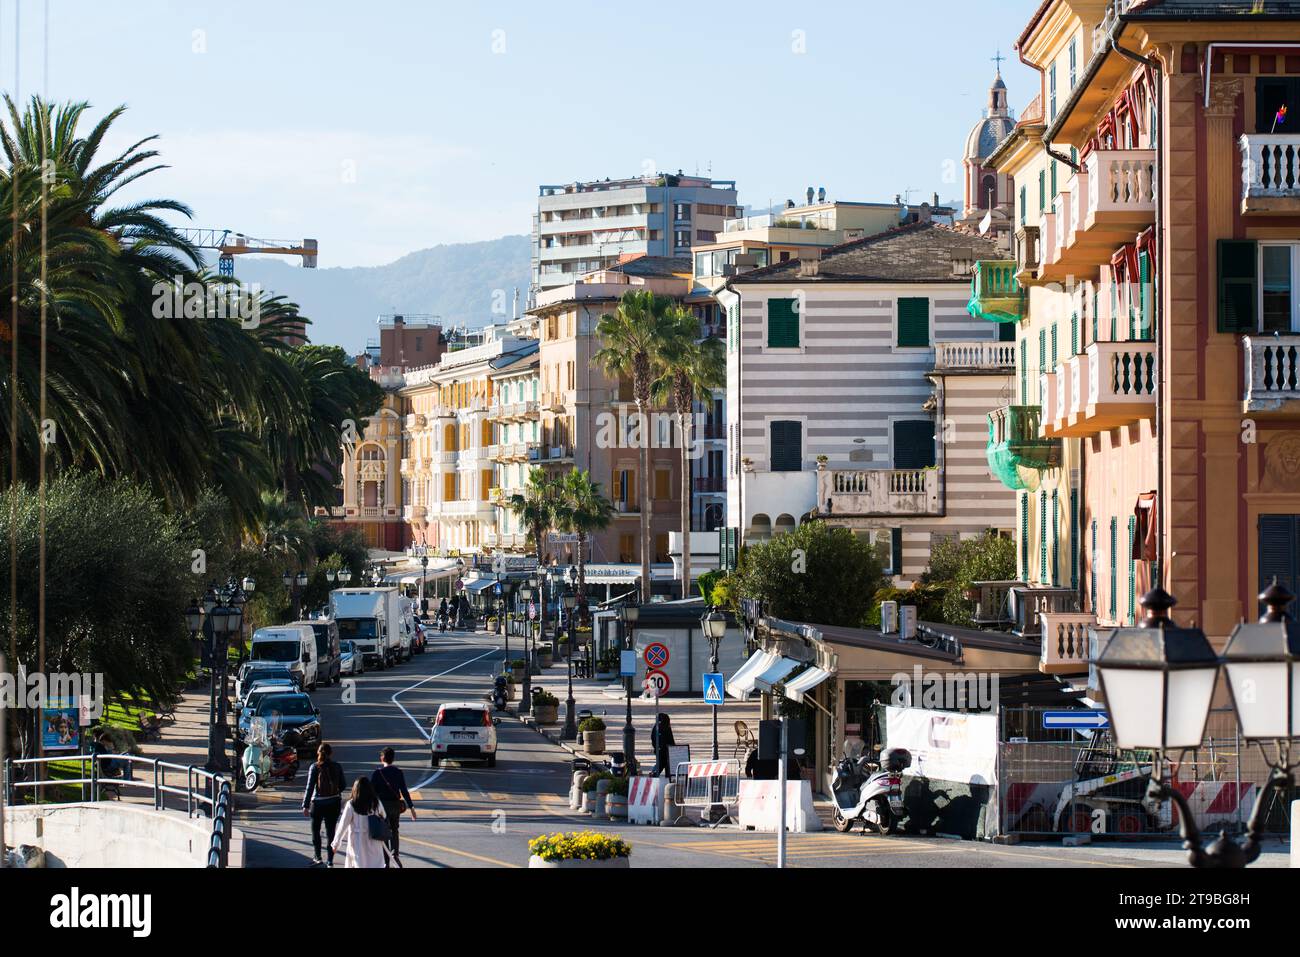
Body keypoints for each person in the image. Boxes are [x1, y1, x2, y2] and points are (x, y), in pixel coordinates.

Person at [301, 743, 346, 867]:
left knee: (315, 831)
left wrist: (305, 805)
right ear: (331, 753)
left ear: (318, 753)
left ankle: (318, 857)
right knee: (331, 832)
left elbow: (309, 787)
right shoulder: (337, 766)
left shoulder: (314, 767)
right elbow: (342, 785)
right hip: (334, 803)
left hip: (318, 804)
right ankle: (330, 861)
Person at [370, 747, 416, 866]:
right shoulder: (398, 772)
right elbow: (404, 791)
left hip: (382, 807)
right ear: (393, 759)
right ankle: (395, 852)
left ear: (382, 758)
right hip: (395, 806)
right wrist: (411, 807)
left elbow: (371, 792)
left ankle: (386, 860)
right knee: (395, 830)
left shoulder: (377, 773)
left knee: (384, 832)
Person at [331, 776, 389, 868]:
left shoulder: (351, 804)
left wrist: (336, 843)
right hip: (374, 839)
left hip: (357, 841)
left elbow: (343, 825)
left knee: (358, 864)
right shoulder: (376, 802)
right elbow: (384, 815)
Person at [649, 713, 676, 777]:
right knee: (665, 764)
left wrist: (656, 747)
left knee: (661, 763)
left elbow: (652, 738)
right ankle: (655, 773)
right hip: (666, 750)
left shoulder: (656, 727)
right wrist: (673, 748)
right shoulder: (666, 727)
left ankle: (654, 772)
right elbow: (670, 739)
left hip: (659, 750)